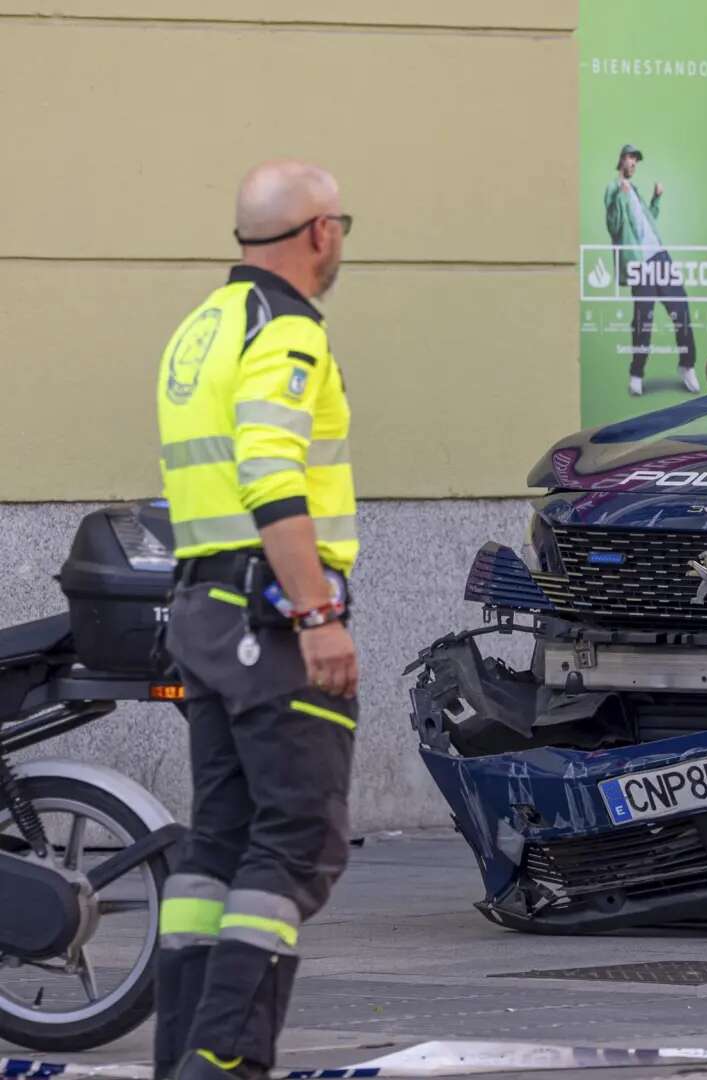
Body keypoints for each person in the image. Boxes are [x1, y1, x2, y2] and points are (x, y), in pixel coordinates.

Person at [152, 160, 360, 1080]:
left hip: (202, 607)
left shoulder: (202, 326)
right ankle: (224, 1063)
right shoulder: (287, 331)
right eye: (342, 223)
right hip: (268, 617)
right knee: (296, 844)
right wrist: (318, 613)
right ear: (319, 231)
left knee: (217, 849)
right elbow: (271, 474)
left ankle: (180, 1058)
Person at [604, 143, 698, 396]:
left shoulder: (633, 189)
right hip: (639, 263)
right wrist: (620, 195)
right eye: (630, 158)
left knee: (681, 308)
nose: (634, 162)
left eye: (636, 159)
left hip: (660, 257)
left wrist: (656, 197)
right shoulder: (615, 189)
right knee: (643, 320)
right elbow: (613, 226)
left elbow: (648, 222)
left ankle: (687, 365)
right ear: (621, 159)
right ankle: (636, 372)